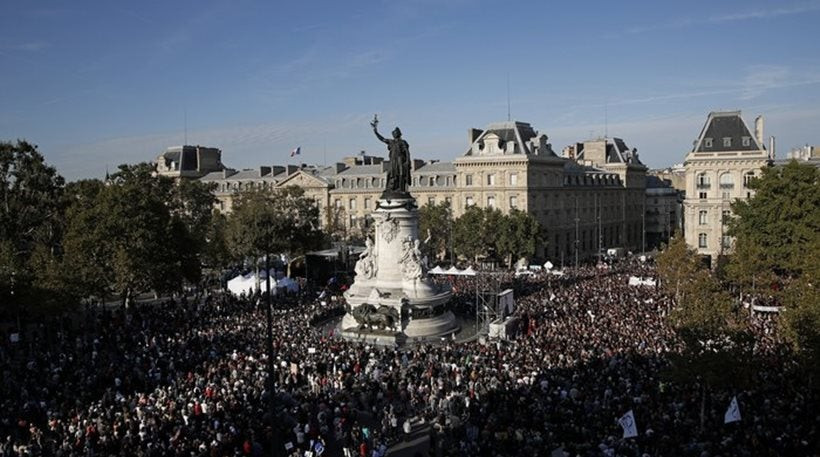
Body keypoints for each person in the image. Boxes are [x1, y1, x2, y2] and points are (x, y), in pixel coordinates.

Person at [371, 115, 410, 195]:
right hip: (393, 160)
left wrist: (408, 161)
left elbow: (407, 152)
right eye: (393, 134)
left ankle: (402, 189)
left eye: (395, 133)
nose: (394, 135)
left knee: (401, 174)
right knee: (389, 174)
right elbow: (382, 139)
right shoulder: (391, 142)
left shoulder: (403, 142)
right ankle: (388, 188)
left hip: (400, 159)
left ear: (398, 134)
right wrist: (375, 132)